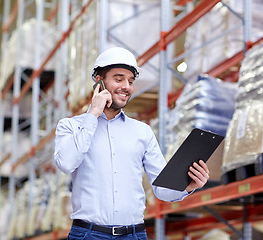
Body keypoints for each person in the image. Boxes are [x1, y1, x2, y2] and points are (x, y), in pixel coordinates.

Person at [54, 47, 210, 240]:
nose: (126, 86)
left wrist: (188, 186)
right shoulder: (71, 126)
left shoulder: (142, 131)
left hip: (134, 234)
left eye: (130, 81)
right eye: (119, 79)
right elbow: (66, 163)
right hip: (88, 234)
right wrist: (93, 114)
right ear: (99, 81)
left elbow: (162, 189)